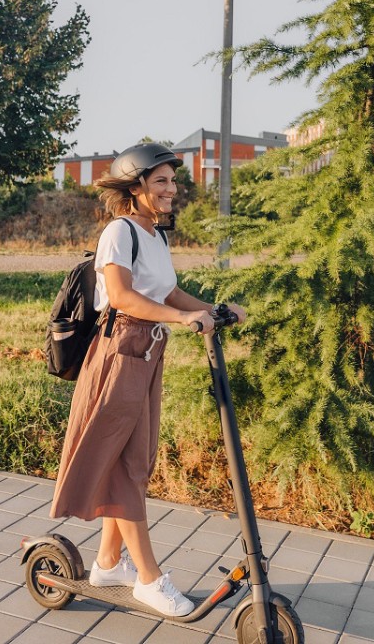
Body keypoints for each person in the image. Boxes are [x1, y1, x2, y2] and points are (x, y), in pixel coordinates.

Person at [49, 142, 246, 617]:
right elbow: (120, 296)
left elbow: (168, 292)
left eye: (172, 182)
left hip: (147, 352)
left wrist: (212, 309)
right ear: (135, 187)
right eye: (161, 181)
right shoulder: (119, 231)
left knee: (133, 458)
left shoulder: (155, 235)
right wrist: (181, 320)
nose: (171, 189)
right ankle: (149, 580)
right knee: (125, 465)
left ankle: (107, 563)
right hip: (119, 352)